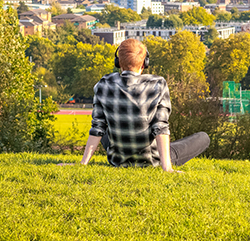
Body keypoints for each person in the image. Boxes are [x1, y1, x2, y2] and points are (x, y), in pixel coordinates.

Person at [80, 38, 210, 172]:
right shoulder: (157, 84)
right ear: (144, 63)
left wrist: (83, 163)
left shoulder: (104, 83)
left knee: (105, 128)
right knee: (203, 137)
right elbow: (160, 127)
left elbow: (98, 127)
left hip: (118, 160)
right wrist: (167, 168)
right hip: (152, 160)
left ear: (118, 62)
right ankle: (164, 158)